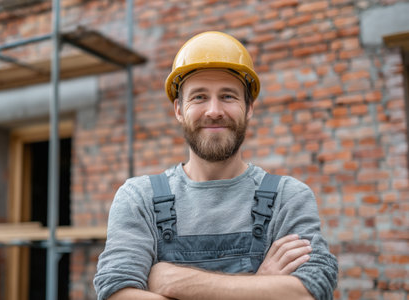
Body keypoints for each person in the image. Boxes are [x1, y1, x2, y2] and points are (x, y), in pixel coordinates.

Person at [94, 31, 338, 300]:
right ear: (178, 110)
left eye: (228, 96)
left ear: (249, 107)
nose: (213, 111)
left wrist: (174, 282)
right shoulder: (139, 199)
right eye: (199, 97)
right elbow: (116, 292)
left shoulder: (288, 198)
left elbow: (311, 292)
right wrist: (261, 284)